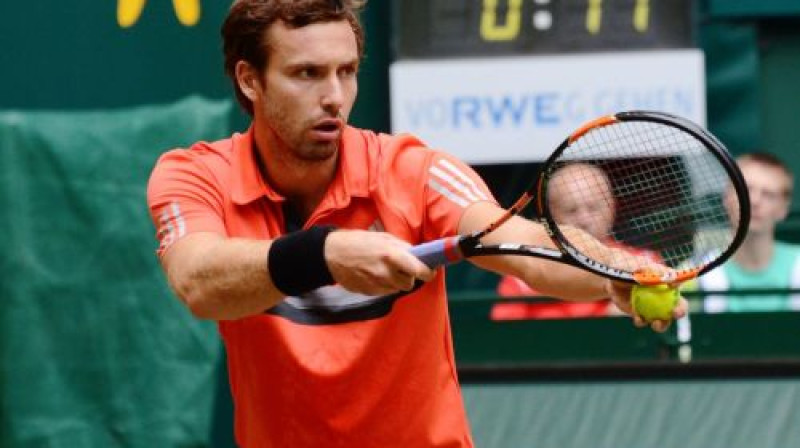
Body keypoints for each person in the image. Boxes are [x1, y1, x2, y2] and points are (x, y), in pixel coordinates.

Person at [146, 1, 687, 446]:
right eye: (306, 74)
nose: (334, 96)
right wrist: (324, 253)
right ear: (250, 80)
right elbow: (198, 280)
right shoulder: (195, 175)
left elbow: (523, 248)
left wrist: (608, 266)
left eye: (347, 71)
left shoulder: (415, 171)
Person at [493, 163, 662, 320]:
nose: (584, 219)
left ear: (612, 207)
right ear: (551, 215)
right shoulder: (521, 278)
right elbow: (507, 341)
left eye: (593, 208)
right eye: (571, 210)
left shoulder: (646, 264)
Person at [695, 152, 800, 313]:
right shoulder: (693, 274)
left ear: (783, 208)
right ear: (726, 197)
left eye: (768, 195)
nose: (755, 201)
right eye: (745, 190)